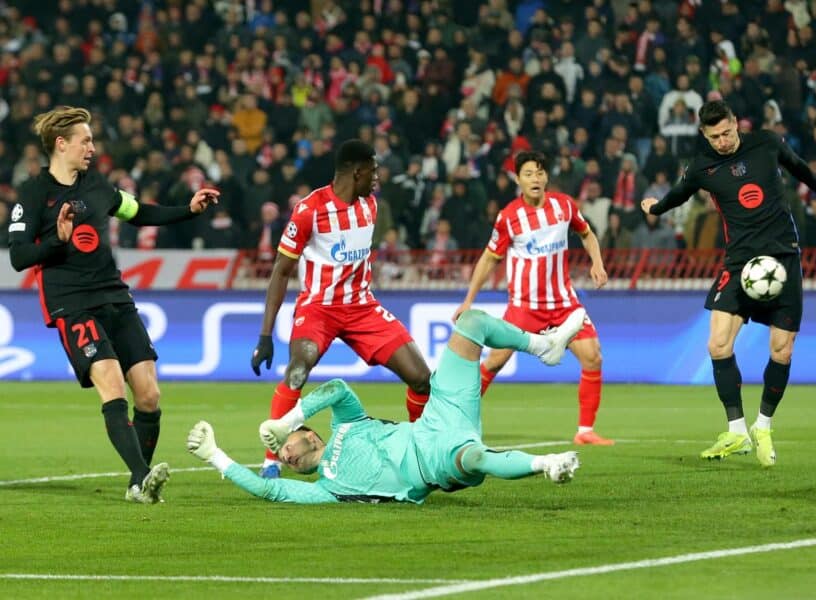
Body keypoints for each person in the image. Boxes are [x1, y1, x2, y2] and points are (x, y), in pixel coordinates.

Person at [7, 106, 219, 502]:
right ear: (61, 144)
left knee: (149, 395)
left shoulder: (99, 187)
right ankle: (141, 477)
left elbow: (139, 213)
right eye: (85, 140)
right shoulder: (34, 193)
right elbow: (18, 256)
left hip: (115, 297)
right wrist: (56, 240)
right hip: (72, 304)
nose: (92, 147)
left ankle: (139, 482)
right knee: (111, 383)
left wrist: (187, 211)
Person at [187, 309, 586, 503]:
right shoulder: (327, 490)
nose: (283, 453)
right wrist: (215, 456)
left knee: (472, 324)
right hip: (429, 461)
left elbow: (339, 388)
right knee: (475, 457)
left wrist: (289, 416)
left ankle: (543, 345)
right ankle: (546, 464)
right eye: (281, 454)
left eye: (285, 444)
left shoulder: (349, 423)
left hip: (438, 416)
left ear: (308, 435)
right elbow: (269, 491)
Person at [640, 100, 816, 467]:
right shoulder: (702, 167)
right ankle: (736, 431)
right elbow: (678, 194)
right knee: (717, 344)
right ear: (704, 135)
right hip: (739, 263)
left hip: (782, 259)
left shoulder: (766, 143)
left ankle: (763, 425)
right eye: (714, 136)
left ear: (736, 123)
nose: (723, 141)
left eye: (727, 132)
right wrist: (656, 208)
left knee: (782, 350)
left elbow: (798, 166)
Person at [250, 139, 432, 479]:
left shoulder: (371, 207)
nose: (378, 178)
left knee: (421, 378)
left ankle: (421, 453)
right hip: (319, 308)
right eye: (374, 171)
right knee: (298, 370)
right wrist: (265, 334)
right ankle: (270, 461)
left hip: (362, 307)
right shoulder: (309, 210)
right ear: (357, 171)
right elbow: (281, 270)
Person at [453, 151, 613, 446]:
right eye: (528, 174)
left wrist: (597, 263)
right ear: (518, 179)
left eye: (540, 173)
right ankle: (458, 424)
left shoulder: (564, 205)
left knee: (593, 356)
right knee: (492, 364)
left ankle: (585, 431)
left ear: (546, 177)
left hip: (564, 304)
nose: (535, 179)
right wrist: (468, 301)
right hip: (524, 307)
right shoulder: (509, 217)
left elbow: (587, 234)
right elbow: (489, 259)